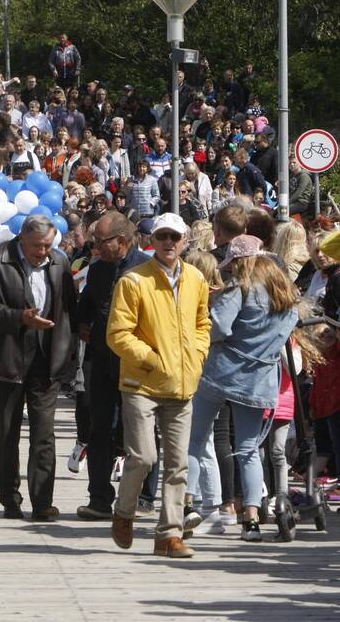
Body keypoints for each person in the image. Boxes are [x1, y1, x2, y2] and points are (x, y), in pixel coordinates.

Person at [107, 213, 211, 558]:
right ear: (152, 240)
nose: (169, 242)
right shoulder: (134, 281)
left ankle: (169, 534)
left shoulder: (196, 278)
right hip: (141, 384)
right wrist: (151, 358)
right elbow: (117, 334)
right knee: (143, 456)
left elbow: (202, 323)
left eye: (175, 237)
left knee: (178, 463)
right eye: (162, 236)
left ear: (184, 241)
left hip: (182, 385)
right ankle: (124, 511)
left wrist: (197, 356)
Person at [186, 235, 298, 543]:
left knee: (195, 439)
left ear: (240, 262)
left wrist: (206, 337)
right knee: (249, 449)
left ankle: (187, 504)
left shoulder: (241, 289)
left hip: (222, 373)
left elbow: (219, 326)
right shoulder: (285, 298)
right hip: (258, 378)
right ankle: (251, 520)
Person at [0, 216, 77, 521]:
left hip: (47, 361)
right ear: (22, 239)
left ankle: (43, 501)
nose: (43, 252)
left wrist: (71, 346)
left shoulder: (60, 263)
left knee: (44, 434)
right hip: (8, 358)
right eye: (37, 246)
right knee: (7, 433)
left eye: (48, 245)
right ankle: (10, 498)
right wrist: (21, 317)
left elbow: (69, 305)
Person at [75, 212, 151, 520]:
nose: (94, 247)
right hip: (102, 360)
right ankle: (99, 497)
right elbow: (86, 307)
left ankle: (143, 496)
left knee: (138, 431)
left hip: (136, 363)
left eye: (99, 241)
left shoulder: (148, 268)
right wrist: (83, 322)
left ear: (121, 241)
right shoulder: (98, 270)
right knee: (99, 428)